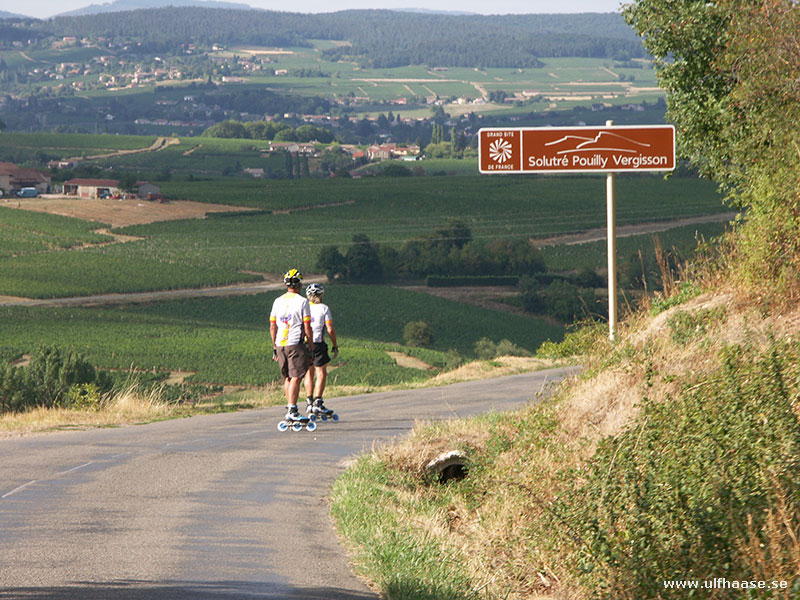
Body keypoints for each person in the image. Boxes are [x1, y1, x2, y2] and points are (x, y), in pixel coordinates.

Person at [270, 268, 314, 422]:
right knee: (296, 376)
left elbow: (273, 326)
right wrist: (311, 346)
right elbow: (307, 327)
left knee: (287, 377)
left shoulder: (277, 301)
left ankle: (289, 407)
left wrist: (275, 347)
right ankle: (292, 409)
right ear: (300, 284)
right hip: (295, 342)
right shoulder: (303, 302)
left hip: (280, 343)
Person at [303, 283, 339, 417]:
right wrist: (335, 345)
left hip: (305, 343)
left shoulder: (303, 307)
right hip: (318, 342)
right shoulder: (324, 308)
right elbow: (329, 329)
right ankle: (318, 402)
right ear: (321, 295)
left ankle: (309, 401)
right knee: (321, 373)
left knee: (308, 373)